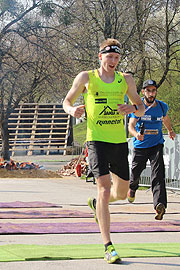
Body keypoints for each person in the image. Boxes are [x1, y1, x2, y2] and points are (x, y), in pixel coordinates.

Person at [63, 38, 145, 264]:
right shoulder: (86, 78)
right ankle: (108, 246)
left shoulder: (125, 79)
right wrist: (73, 111)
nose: (113, 61)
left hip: (119, 143)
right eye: (109, 57)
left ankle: (96, 206)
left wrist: (133, 108)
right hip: (96, 141)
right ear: (100, 57)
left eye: (117, 58)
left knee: (120, 194)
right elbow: (67, 101)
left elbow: (141, 107)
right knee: (105, 190)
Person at [128, 79, 176, 220]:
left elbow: (165, 119)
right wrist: (136, 134)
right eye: (148, 90)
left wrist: (170, 131)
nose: (151, 93)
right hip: (140, 146)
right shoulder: (137, 106)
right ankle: (133, 187)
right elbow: (131, 125)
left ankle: (159, 205)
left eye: (153, 90)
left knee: (158, 175)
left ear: (156, 92)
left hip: (156, 145)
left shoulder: (161, 106)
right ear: (143, 92)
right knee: (136, 172)